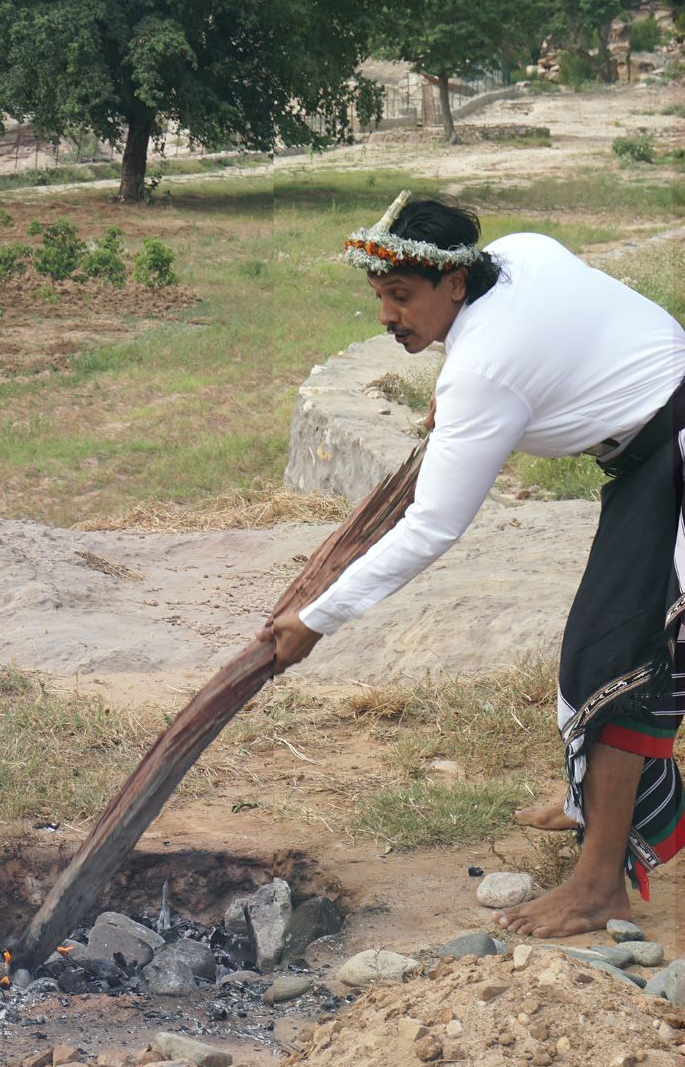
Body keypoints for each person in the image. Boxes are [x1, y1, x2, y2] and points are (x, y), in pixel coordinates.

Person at [268, 192, 684, 938]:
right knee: (595, 649)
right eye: (379, 296)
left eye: (402, 296)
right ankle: (590, 802)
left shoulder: (483, 372)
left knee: (613, 663)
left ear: (455, 283)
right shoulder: (518, 251)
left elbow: (432, 527)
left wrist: (316, 618)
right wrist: (462, 392)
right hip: (654, 443)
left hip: (671, 456)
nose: (387, 315)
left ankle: (597, 887)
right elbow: (537, 343)